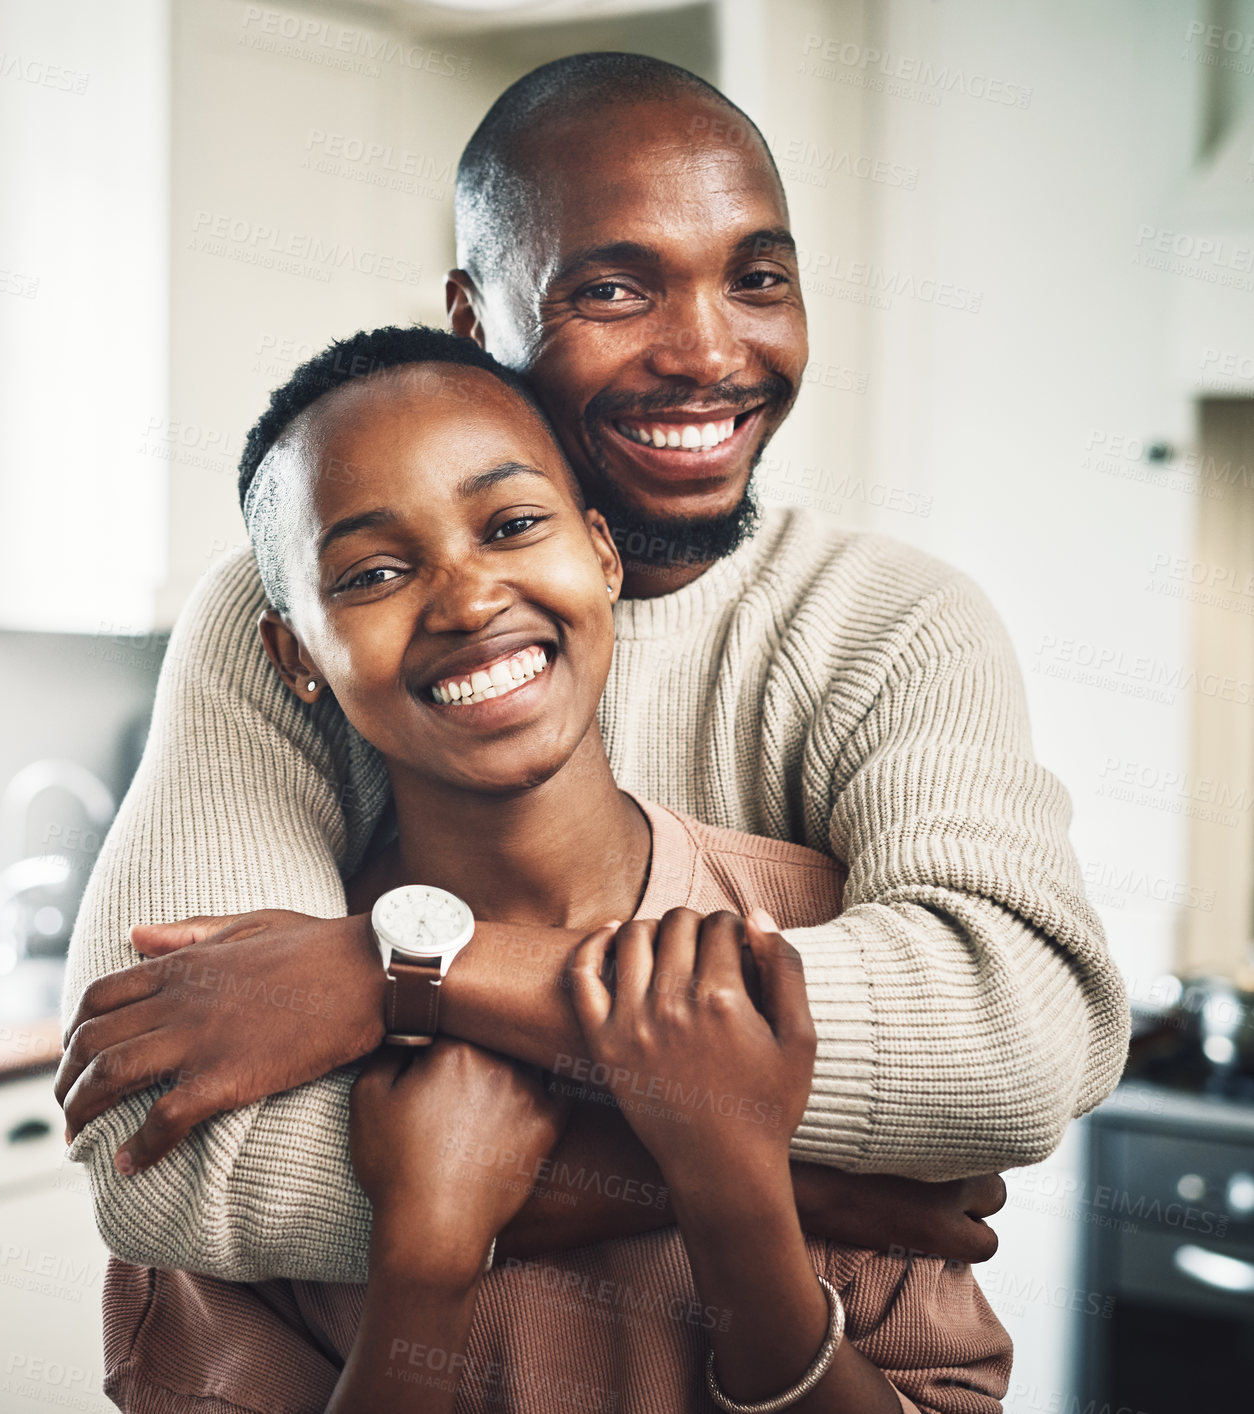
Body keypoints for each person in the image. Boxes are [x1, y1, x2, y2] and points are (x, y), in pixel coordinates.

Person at [59, 53, 1127, 1291]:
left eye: (758, 278)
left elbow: (1014, 1042)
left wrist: (401, 972)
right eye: (616, 290)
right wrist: (760, 1182)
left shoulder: (890, 625)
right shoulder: (288, 613)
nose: (709, 351)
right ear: (477, 319)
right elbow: (168, 1153)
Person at [93, 326, 1012, 1413]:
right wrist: (424, 1257)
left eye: (514, 524)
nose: (469, 600)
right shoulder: (247, 1024)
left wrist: (736, 1193)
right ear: (296, 655)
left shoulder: (808, 935)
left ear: (605, 555)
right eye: (375, 571)